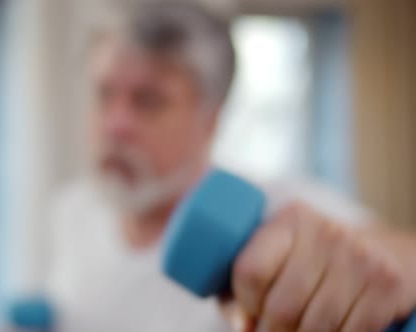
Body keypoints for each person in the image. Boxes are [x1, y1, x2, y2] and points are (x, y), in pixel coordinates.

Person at [42, 2, 416, 332]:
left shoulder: (282, 213)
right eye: (104, 94)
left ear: (210, 119)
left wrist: (394, 268)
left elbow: (390, 259)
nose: (114, 125)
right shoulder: (73, 208)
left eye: (148, 101)